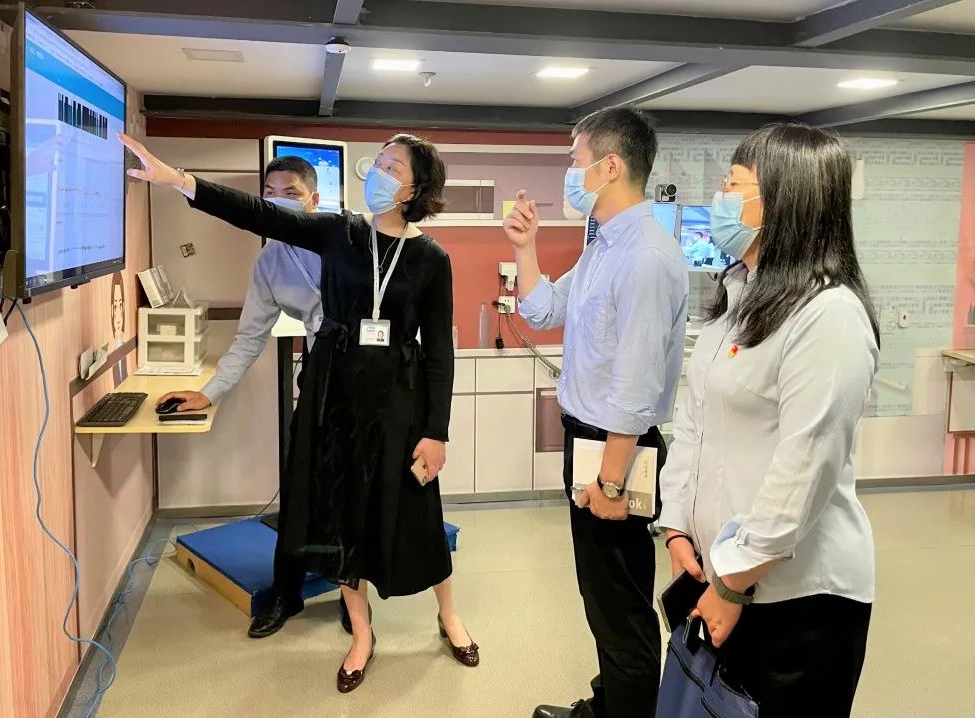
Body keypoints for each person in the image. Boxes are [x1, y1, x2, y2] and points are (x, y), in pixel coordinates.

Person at [120, 132, 478, 695]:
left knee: (416, 511)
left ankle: (449, 615)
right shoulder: (340, 233)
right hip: (335, 398)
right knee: (341, 517)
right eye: (379, 162)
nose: (378, 172)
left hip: (399, 404)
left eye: (393, 167)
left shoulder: (432, 259)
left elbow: (439, 353)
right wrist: (180, 182)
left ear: (414, 190)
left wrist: (436, 432)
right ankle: (361, 632)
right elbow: (258, 214)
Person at [658, 123, 879, 718]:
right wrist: (677, 526)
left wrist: (733, 583)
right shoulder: (739, 296)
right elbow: (695, 422)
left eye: (734, 186)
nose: (719, 199)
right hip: (719, 576)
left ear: (785, 200)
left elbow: (804, 472)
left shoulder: (828, 314)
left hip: (795, 599)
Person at [505, 107, 688, 718]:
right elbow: (543, 310)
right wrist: (525, 249)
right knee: (601, 596)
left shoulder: (646, 256)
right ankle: (611, 704)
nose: (570, 172)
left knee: (623, 605)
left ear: (610, 167)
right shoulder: (603, 247)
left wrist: (611, 482)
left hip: (618, 451)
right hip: (591, 444)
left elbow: (636, 386)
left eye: (576, 161)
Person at [155, 155, 361, 640]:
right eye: (269, 194)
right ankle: (286, 594)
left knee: (355, 491)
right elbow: (250, 336)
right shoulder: (269, 262)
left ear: (314, 200)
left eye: (290, 193)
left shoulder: (347, 238)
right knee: (300, 489)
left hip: (366, 376)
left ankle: (354, 598)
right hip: (320, 376)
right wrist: (209, 392)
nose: (277, 201)